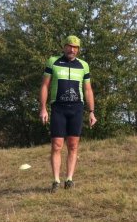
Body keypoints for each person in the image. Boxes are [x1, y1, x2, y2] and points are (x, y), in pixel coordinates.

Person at [39, 35, 97, 192]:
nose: (72, 49)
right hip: (58, 108)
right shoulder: (53, 62)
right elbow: (45, 86)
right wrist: (43, 108)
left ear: (78, 49)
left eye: (75, 47)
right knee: (57, 145)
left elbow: (88, 89)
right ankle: (56, 181)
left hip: (77, 108)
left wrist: (91, 112)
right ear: (64, 47)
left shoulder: (83, 65)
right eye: (69, 46)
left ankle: (69, 179)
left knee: (73, 145)